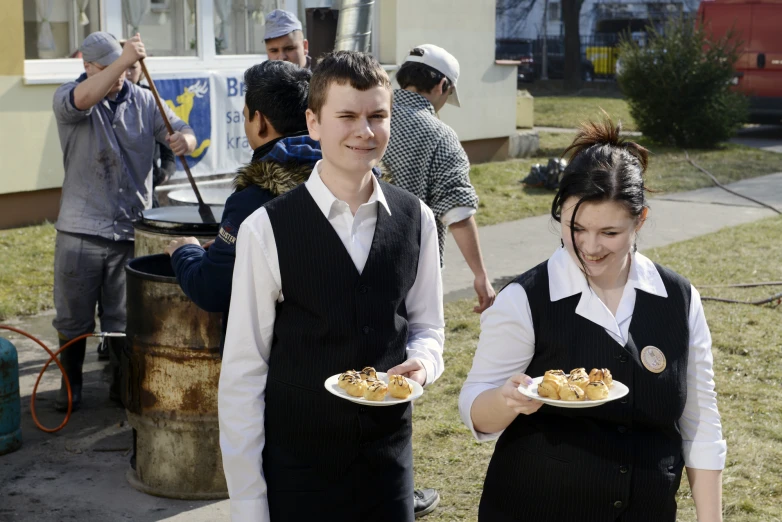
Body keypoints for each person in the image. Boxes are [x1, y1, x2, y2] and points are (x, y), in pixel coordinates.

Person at [459, 118, 725, 521]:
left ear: (641, 221)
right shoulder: (524, 299)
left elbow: (701, 423)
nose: (590, 247)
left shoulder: (679, 298)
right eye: (575, 228)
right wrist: (506, 400)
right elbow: (475, 409)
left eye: (610, 233)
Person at [218, 51, 445, 521]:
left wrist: (422, 364)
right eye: (347, 116)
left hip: (387, 468)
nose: (364, 131)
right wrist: (248, 503)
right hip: (300, 474)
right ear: (314, 122)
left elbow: (429, 326)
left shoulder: (416, 218)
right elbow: (244, 372)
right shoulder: (266, 227)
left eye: (377, 116)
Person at [51, 31, 195, 411]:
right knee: (72, 317)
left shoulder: (145, 101)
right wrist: (122, 61)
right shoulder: (70, 96)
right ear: (87, 67)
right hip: (80, 230)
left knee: (121, 318)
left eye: (127, 67)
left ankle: (120, 385)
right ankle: (71, 388)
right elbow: (83, 99)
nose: (121, 75)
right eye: (110, 67)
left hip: (128, 228)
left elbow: (181, 129)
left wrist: (185, 141)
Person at [164, 60, 317, 352]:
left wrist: (185, 250)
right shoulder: (342, 181)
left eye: (246, 117)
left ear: (259, 121)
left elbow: (212, 289)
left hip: (279, 360)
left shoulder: (256, 198)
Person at [382, 44, 495, 315]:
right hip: (410, 269)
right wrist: (480, 274)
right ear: (442, 84)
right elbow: (457, 210)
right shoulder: (440, 136)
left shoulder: (371, 118)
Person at [124, 57, 177, 208]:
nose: (127, 73)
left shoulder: (150, 99)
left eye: (133, 68)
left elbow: (169, 151)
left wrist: (165, 172)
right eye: (123, 67)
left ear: (141, 69)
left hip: (147, 189)